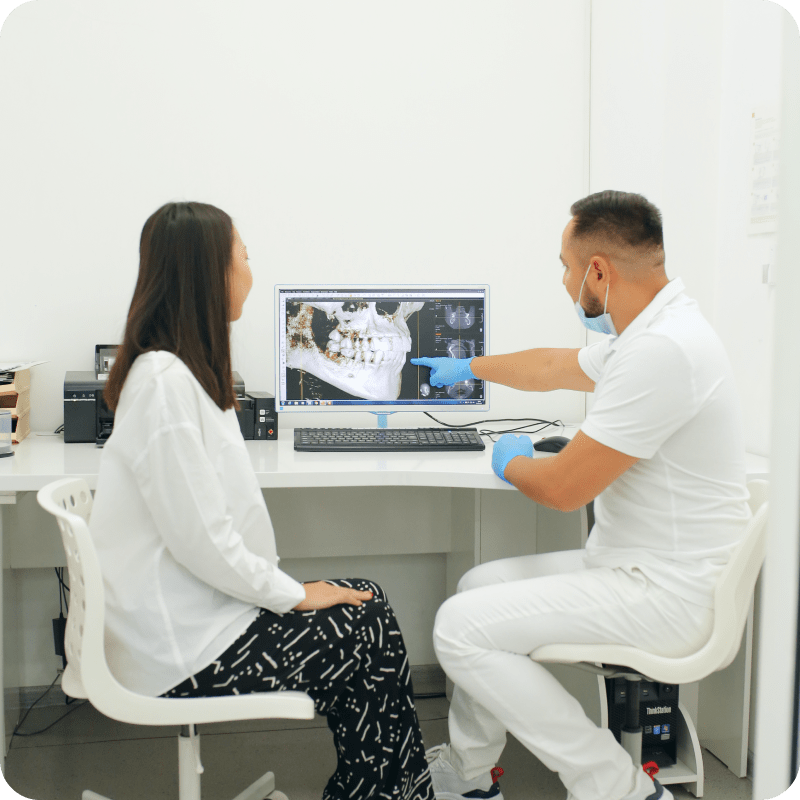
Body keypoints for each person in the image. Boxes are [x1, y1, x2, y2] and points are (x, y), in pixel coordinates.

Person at [411, 190, 751, 800]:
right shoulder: (652, 330)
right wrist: (471, 367)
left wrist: (514, 461)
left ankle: (620, 789)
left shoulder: (662, 351)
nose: (565, 282)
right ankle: (469, 775)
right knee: (475, 587)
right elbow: (554, 366)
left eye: (566, 267)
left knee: (459, 628)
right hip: (638, 567)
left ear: (598, 271)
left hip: (668, 594)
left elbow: (564, 489)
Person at [91, 201, 434, 800]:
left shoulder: (179, 375)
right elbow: (204, 541)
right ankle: (390, 792)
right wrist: (293, 593)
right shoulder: (166, 385)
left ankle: (389, 790)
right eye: (244, 257)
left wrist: (288, 592)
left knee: (369, 600)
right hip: (183, 653)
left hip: (195, 622)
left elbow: (206, 531)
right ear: (210, 273)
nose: (251, 270)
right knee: (367, 630)